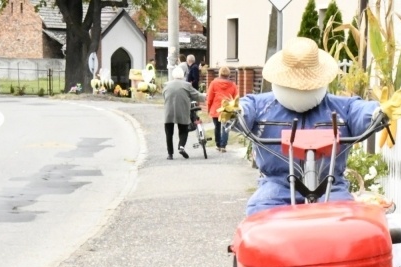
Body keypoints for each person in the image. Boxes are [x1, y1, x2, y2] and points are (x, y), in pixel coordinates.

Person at [235, 37, 381, 216]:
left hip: (330, 185)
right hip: (277, 184)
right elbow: (244, 108)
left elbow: (360, 111)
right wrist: (236, 112)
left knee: (347, 221)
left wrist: (376, 113)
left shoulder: (342, 107)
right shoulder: (260, 106)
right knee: (259, 216)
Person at [163, 67, 205, 160]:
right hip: (182, 111)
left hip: (169, 112)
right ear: (182, 75)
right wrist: (205, 97)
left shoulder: (166, 85)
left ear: (173, 75)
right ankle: (181, 146)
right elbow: (197, 95)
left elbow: (164, 96)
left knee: (169, 133)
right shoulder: (187, 85)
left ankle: (170, 154)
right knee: (183, 130)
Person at [206, 66, 238, 153]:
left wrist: (208, 109)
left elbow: (210, 97)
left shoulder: (214, 83)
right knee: (225, 127)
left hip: (216, 108)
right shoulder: (233, 85)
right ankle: (223, 145)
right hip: (227, 109)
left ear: (219, 73)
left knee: (217, 127)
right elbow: (236, 98)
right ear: (228, 74)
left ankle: (218, 144)